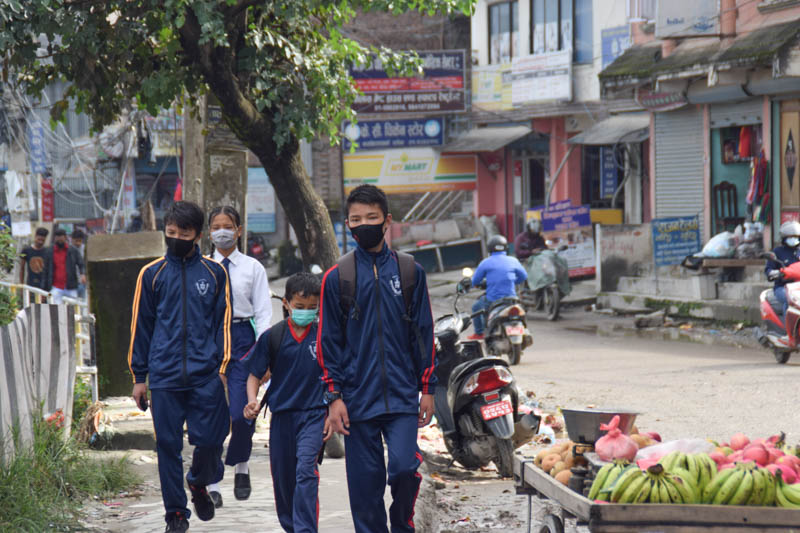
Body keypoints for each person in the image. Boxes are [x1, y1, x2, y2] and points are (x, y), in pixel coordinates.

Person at [318, 184, 436, 533]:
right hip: (356, 399)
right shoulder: (337, 277)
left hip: (401, 396)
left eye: (371, 217)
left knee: (403, 468)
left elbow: (424, 333)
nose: (363, 224)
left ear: (387, 221)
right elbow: (328, 343)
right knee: (365, 487)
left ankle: (403, 524)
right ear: (347, 225)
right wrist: (334, 397)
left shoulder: (410, 271)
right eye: (356, 219)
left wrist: (427, 387)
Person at [128, 201, 232, 533]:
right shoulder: (152, 274)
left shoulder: (215, 273)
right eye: (171, 232)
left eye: (183, 233)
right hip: (164, 377)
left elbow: (223, 325)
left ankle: (199, 481)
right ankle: (176, 514)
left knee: (213, 440)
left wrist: (221, 368)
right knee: (167, 446)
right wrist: (139, 378)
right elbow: (141, 327)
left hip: (205, 376)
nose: (176, 238)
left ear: (198, 235)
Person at [243, 272, 325, 533]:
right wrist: (252, 401)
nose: (305, 313)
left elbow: (338, 375)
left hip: (314, 415)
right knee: (283, 480)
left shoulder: (325, 336)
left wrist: (334, 409)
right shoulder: (273, 336)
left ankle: (305, 529)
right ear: (287, 303)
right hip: (282, 418)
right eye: (300, 307)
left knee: (306, 472)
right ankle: (291, 526)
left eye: (312, 308)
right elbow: (254, 375)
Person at [206, 206, 272, 507]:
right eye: (216, 226)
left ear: (239, 230)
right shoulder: (202, 267)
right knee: (213, 418)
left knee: (242, 413)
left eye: (228, 226)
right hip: (211, 342)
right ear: (209, 233)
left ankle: (242, 467)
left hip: (244, 339)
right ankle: (214, 483)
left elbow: (263, 311)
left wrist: (264, 354)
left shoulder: (252, 268)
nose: (222, 231)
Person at [467, 235, 528, 340]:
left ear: (489, 248)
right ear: (505, 247)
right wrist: (513, 281)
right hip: (511, 299)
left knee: (476, 307)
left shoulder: (486, 262)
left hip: (492, 299)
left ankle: (479, 333)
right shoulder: (513, 260)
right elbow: (523, 276)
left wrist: (471, 285)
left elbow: (475, 281)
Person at [766, 221, 800, 341]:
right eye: (790, 237)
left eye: (796, 237)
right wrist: (774, 273)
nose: (793, 239)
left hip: (798, 286)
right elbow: (769, 270)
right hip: (783, 287)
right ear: (784, 238)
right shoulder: (778, 252)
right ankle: (788, 333)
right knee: (789, 300)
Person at [45, 228, 86, 304]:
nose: (60, 239)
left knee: (74, 311)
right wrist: (44, 288)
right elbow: (45, 270)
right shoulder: (49, 251)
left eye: (61, 237)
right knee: (55, 311)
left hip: (71, 286)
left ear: (65, 238)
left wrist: (82, 274)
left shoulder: (73, 250)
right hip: (55, 287)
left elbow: (81, 264)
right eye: (58, 237)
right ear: (55, 238)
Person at [71, 229, 87, 299]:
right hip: (71, 283)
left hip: (82, 282)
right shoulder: (68, 249)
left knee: (81, 304)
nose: (78, 243)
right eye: (76, 241)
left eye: (80, 241)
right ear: (72, 239)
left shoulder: (85, 249)